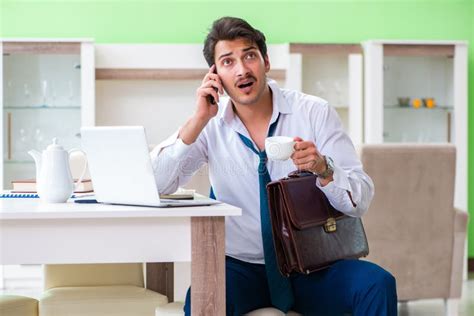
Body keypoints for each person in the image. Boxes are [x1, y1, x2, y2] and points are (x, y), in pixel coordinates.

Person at [151, 16, 397, 316]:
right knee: (202, 298)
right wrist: (198, 120)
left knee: (377, 284)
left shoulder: (314, 113)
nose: (242, 69)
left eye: (249, 56)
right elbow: (156, 185)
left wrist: (324, 169)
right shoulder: (210, 126)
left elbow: (361, 198)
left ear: (266, 62)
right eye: (228, 62)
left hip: (311, 264)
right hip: (241, 269)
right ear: (215, 76)